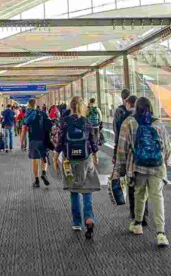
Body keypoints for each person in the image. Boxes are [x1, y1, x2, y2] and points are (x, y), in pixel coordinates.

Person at [113, 96, 169, 247]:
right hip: (157, 167)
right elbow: (167, 148)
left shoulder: (129, 122)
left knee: (139, 194)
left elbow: (122, 148)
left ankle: (137, 224)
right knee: (157, 197)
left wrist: (120, 169)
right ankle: (161, 233)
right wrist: (162, 161)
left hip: (137, 165)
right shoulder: (158, 123)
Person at [54, 96, 100, 239]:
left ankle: (76, 222)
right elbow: (92, 140)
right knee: (87, 189)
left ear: (70, 106)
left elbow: (61, 141)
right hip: (85, 159)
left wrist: (55, 157)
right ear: (82, 106)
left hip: (69, 160)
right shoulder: (86, 122)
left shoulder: (65, 121)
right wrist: (95, 155)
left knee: (73, 190)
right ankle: (89, 218)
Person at [21, 98, 51, 188]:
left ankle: (37, 181)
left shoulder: (29, 114)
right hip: (43, 140)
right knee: (44, 158)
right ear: (36, 104)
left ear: (29, 105)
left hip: (33, 140)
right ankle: (44, 173)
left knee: (35, 160)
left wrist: (22, 141)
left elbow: (24, 129)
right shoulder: (43, 113)